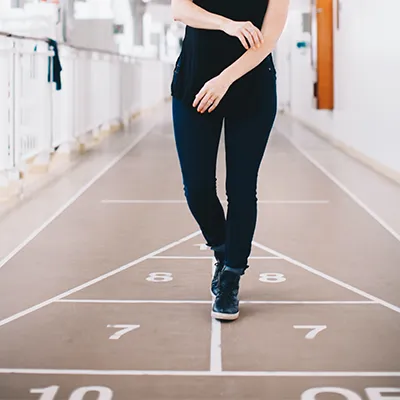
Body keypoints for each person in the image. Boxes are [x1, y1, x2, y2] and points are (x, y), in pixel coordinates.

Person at [170, 0, 289, 321]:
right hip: (195, 82)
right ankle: (222, 251)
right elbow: (179, 9)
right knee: (196, 187)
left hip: (251, 86)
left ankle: (231, 277)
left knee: (240, 187)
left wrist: (225, 79)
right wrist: (228, 24)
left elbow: (269, 37)